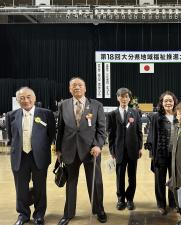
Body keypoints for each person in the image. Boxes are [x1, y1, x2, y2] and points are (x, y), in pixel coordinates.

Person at [56, 77, 107, 225]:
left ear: (85, 88)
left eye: (79, 85)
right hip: (69, 150)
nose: (77, 87)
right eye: (73, 85)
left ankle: (99, 210)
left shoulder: (96, 105)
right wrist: (59, 149)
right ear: (69, 89)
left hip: (91, 150)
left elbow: (101, 129)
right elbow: (61, 129)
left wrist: (98, 145)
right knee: (71, 183)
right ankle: (68, 213)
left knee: (95, 182)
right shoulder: (63, 105)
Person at [6, 87, 56, 225]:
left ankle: (39, 214)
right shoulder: (11, 115)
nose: (26, 100)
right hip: (20, 157)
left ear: (34, 98)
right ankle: (23, 214)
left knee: (40, 187)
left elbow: (51, 134)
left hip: (39, 156)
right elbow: (12, 137)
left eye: (28, 97)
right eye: (22, 98)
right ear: (18, 100)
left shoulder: (46, 114)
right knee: (21, 188)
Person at [106, 87, 143, 211]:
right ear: (117, 98)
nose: (124, 99)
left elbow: (139, 132)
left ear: (129, 99)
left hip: (133, 150)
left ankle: (130, 199)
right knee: (120, 176)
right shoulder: (112, 114)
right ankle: (121, 199)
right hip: (119, 151)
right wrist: (112, 150)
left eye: (126, 96)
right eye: (121, 96)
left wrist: (140, 147)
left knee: (132, 177)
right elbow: (110, 134)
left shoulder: (136, 112)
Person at [145, 91, 178, 215]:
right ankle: (161, 204)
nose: (168, 103)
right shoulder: (156, 117)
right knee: (159, 180)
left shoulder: (179, 115)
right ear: (162, 103)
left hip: (175, 154)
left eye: (170, 100)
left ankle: (173, 203)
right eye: (166, 101)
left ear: (174, 102)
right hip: (160, 154)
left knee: (173, 179)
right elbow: (151, 136)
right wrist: (153, 155)